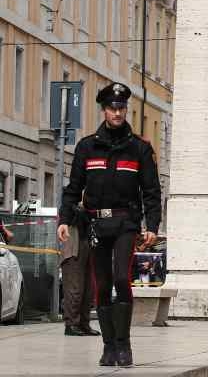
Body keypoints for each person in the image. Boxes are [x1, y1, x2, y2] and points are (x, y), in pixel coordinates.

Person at [57, 83, 160, 368]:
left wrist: (152, 224)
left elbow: (151, 191)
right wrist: (64, 219)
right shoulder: (87, 147)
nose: (117, 113)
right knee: (101, 285)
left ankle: (124, 346)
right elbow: (73, 188)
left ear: (126, 110)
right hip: (96, 224)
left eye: (122, 108)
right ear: (104, 110)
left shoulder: (139, 148)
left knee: (120, 278)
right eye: (112, 108)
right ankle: (108, 346)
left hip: (126, 222)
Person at [60, 200, 99, 337]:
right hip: (73, 247)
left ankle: (84, 323)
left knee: (88, 289)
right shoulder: (70, 202)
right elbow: (73, 215)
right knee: (74, 288)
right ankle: (71, 324)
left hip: (86, 244)